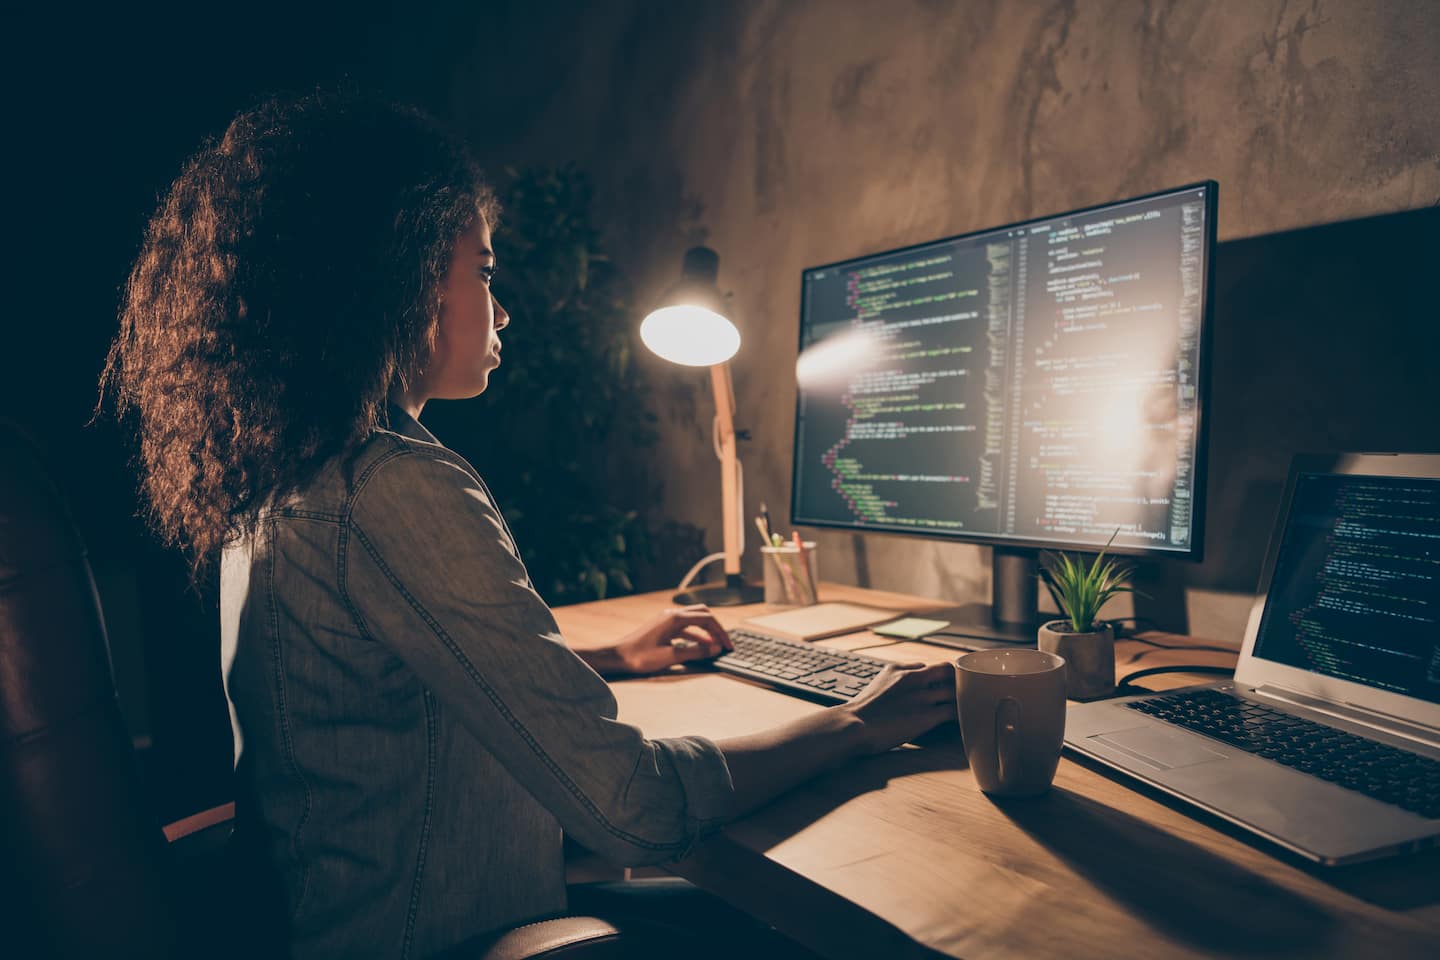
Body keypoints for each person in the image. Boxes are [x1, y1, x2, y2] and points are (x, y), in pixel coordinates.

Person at [101, 91, 955, 959]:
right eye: (483, 269)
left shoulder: (284, 471)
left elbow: (396, 682)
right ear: (400, 274)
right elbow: (639, 808)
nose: (501, 309)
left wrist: (613, 657)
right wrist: (859, 723)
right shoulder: (391, 487)